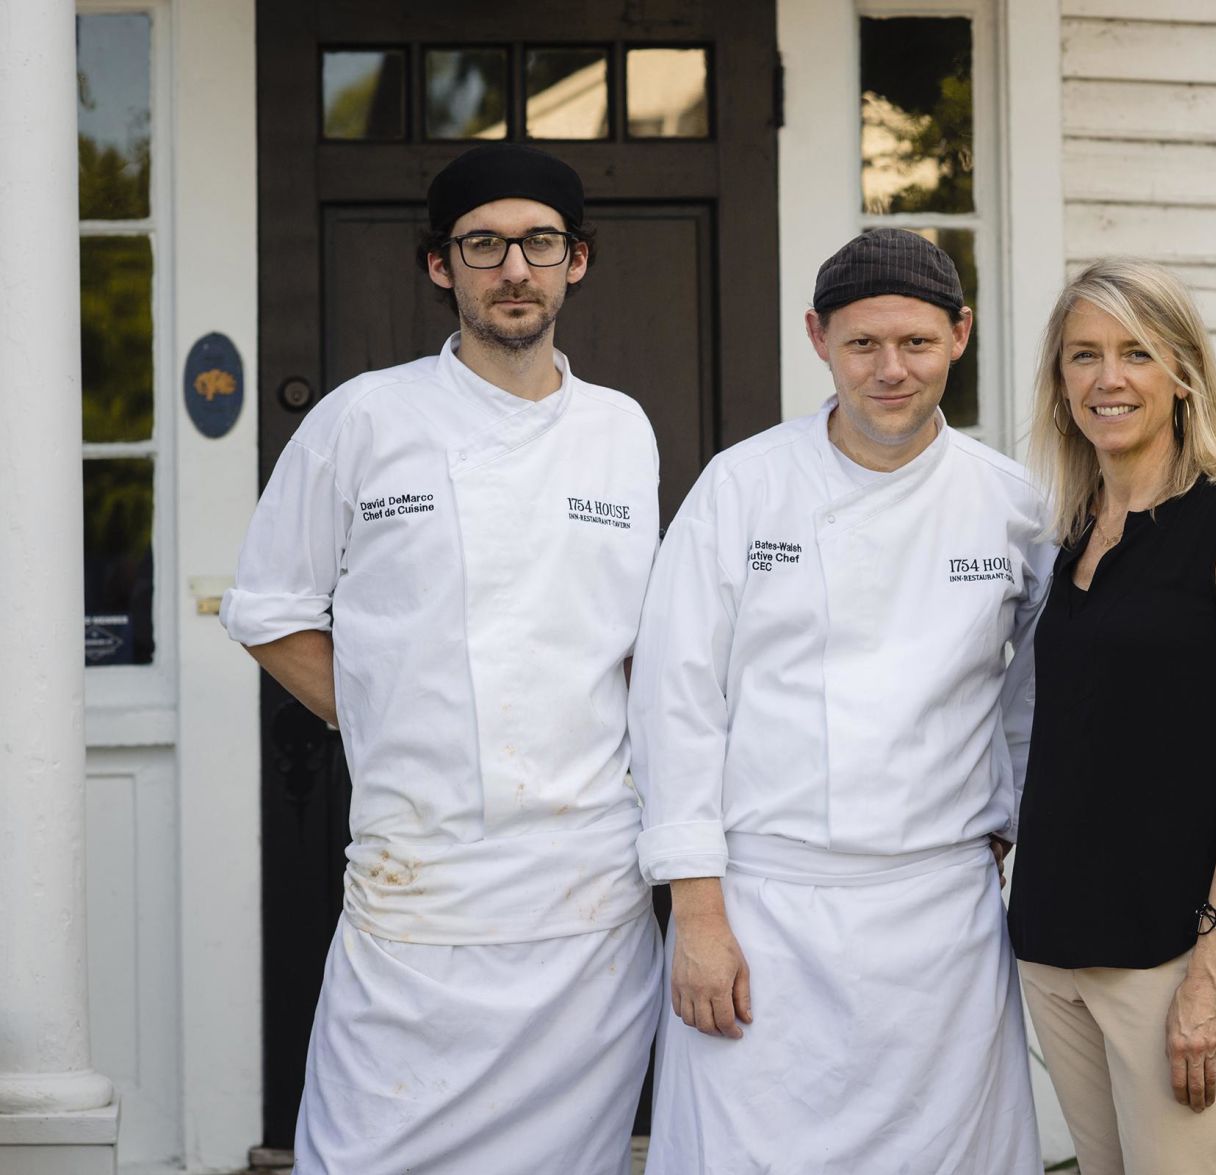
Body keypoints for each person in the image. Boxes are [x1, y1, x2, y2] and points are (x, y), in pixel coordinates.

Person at [219, 143, 664, 1174]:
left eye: (539, 243)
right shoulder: (364, 417)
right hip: (416, 876)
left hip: (584, 890)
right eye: (484, 245)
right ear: (440, 266)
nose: (515, 267)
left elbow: (642, 642)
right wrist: (380, 713)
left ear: (576, 261)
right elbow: (267, 606)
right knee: (370, 1148)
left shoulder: (619, 431)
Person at [628, 228, 1051, 1173]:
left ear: (960, 334)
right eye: (863, 344)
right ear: (817, 338)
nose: (890, 369)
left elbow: (1032, 692)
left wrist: (1010, 816)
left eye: (915, 342)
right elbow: (674, 700)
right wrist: (695, 915)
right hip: (761, 913)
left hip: (941, 919)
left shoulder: (1010, 503)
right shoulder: (741, 488)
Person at [1005, 258, 1216, 1175]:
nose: (1107, 378)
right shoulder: (1075, 529)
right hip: (1052, 948)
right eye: (1082, 355)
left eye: (1135, 352)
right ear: (1059, 383)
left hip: (1169, 956)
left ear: (1181, 372)